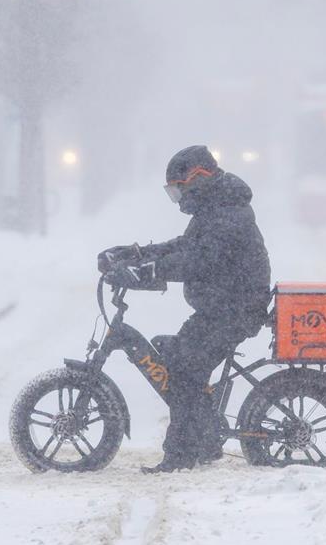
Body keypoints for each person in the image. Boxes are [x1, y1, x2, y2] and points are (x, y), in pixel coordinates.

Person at [103, 145, 272, 473]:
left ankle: (181, 455)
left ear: (197, 179)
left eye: (179, 190)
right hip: (223, 307)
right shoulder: (216, 207)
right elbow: (186, 246)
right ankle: (205, 439)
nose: (179, 199)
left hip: (235, 310)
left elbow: (198, 260)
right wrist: (137, 255)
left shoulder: (227, 212)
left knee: (184, 370)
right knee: (178, 356)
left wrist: (150, 272)